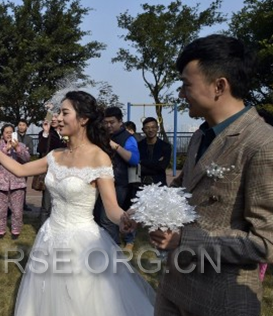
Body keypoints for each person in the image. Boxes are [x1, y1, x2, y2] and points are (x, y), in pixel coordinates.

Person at [0, 90, 155, 316]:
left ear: (83, 119)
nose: (58, 117)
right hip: (49, 239)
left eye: (65, 112)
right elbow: (20, 169)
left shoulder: (99, 157)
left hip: (84, 245)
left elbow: (112, 208)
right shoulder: (55, 155)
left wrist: (124, 218)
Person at [150, 34, 273, 316]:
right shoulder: (200, 137)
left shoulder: (262, 144)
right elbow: (185, 188)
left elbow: (266, 242)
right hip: (173, 288)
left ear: (219, 85)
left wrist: (185, 241)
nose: (181, 94)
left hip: (221, 299)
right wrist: (144, 209)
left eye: (186, 84)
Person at [94, 106, 140, 250]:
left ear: (120, 121)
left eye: (112, 122)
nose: (108, 126)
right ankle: (106, 246)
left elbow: (134, 160)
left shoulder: (128, 138)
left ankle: (114, 248)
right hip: (102, 182)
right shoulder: (103, 135)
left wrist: (116, 147)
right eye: (106, 122)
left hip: (119, 184)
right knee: (98, 215)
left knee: (108, 218)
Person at [0, 123, 30, 240]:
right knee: (0, 210)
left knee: (17, 211)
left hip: (17, 183)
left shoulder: (21, 145)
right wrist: (5, 150)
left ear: (14, 133)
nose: (8, 134)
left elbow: (27, 158)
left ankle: (15, 231)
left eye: (11, 132)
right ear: (2, 134)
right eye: (6, 132)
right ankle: (1, 231)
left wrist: (17, 148)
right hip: (0, 183)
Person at [36, 113, 66, 224]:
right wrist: (46, 132)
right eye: (51, 117)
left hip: (65, 173)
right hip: (50, 172)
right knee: (47, 205)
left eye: (55, 116)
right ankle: (43, 230)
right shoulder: (46, 133)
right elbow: (40, 149)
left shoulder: (68, 132)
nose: (53, 119)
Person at [138, 117, 171, 186]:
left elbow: (162, 167)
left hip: (159, 184)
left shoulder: (165, 146)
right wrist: (156, 162)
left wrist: (142, 162)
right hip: (141, 184)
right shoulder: (138, 146)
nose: (150, 130)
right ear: (143, 130)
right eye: (147, 128)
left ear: (157, 128)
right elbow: (137, 167)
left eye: (153, 127)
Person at [17, 119, 34, 212]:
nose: (21, 126)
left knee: (23, 185)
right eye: (20, 124)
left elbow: (30, 151)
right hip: (14, 163)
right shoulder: (13, 136)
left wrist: (21, 149)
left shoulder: (29, 139)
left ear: (26, 127)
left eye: (23, 125)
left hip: (25, 165)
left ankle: (23, 204)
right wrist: (24, 149)